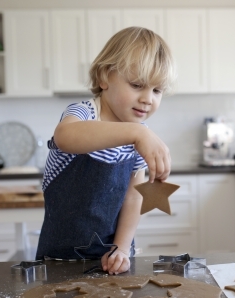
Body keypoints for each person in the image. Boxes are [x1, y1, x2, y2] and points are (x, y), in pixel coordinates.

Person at [36, 27, 176, 275]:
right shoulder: (83, 113)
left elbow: (133, 197)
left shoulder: (138, 134)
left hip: (111, 262)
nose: (148, 99)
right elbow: (65, 137)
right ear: (104, 77)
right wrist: (138, 133)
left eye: (157, 90)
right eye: (137, 85)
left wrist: (121, 249)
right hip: (60, 261)